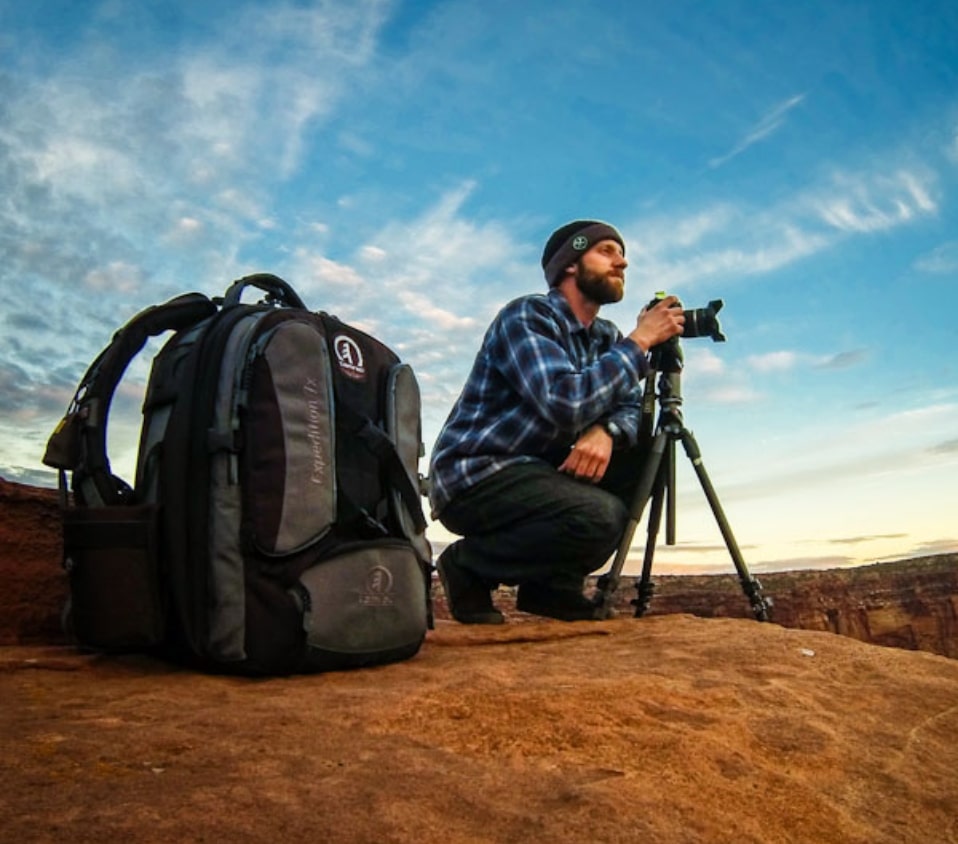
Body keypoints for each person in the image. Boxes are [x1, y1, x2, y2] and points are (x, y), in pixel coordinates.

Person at [428, 220, 685, 623]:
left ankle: (551, 588)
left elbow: (632, 408)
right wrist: (639, 343)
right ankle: (468, 565)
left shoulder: (605, 337)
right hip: (478, 471)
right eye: (607, 252)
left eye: (621, 254)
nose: (623, 262)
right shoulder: (527, 316)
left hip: (541, 470)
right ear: (569, 264)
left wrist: (607, 431)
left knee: (648, 462)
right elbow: (563, 400)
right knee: (599, 516)